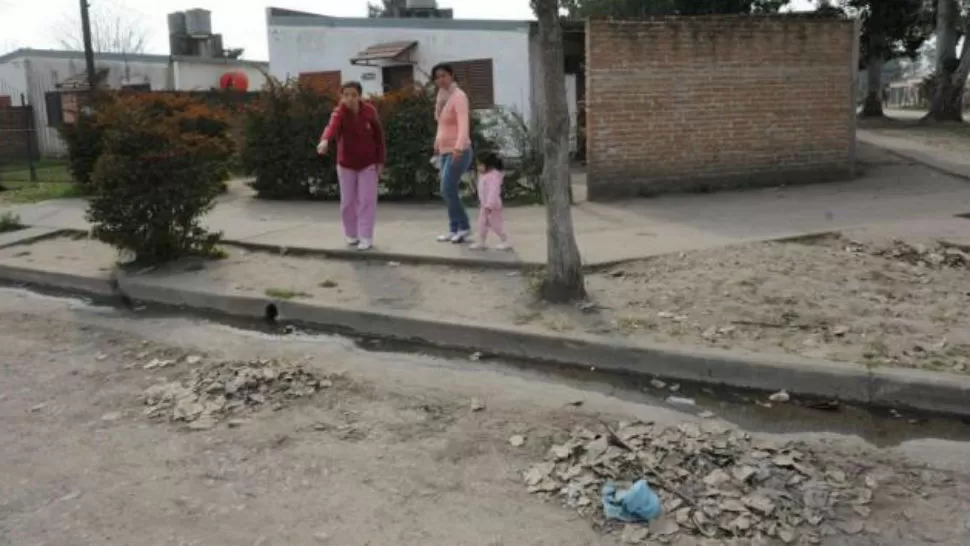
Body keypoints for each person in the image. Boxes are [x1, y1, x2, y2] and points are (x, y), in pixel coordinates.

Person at [317, 81, 386, 251]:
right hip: (346, 164)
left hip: (368, 163)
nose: (350, 98)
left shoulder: (369, 111)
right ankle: (351, 234)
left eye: (353, 95)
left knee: (367, 201)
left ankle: (366, 236)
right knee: (348, 202)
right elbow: (331, 127)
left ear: (359, 96)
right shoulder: (339, 113)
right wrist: (325, 140)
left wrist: (381, 161)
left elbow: (379, 138)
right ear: (341, 97)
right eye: (346, 95)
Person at [431, 63, 473, 244]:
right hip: (444, 150)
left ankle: (463, 227)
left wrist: (458, 146)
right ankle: (454, 228)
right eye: (437, 77)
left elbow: (464, 124)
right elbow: (441, 123)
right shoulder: (441, 96)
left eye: (444, 75)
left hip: (460, 150)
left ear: (451, 75)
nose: (441, 79)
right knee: (448, 190)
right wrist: (437, 143)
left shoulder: (459, 96)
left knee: (446, 188)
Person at [469, 152, 512, 251]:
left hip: (492, 206)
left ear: (487, 165)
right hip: (485, 206)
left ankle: (505, 241)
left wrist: (489, 204)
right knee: (482, 224)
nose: (478, 167)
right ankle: (481, 242)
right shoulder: (485, 175)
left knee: (496, 225)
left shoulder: (493, 177)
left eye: (479, 164)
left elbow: (493, 192)